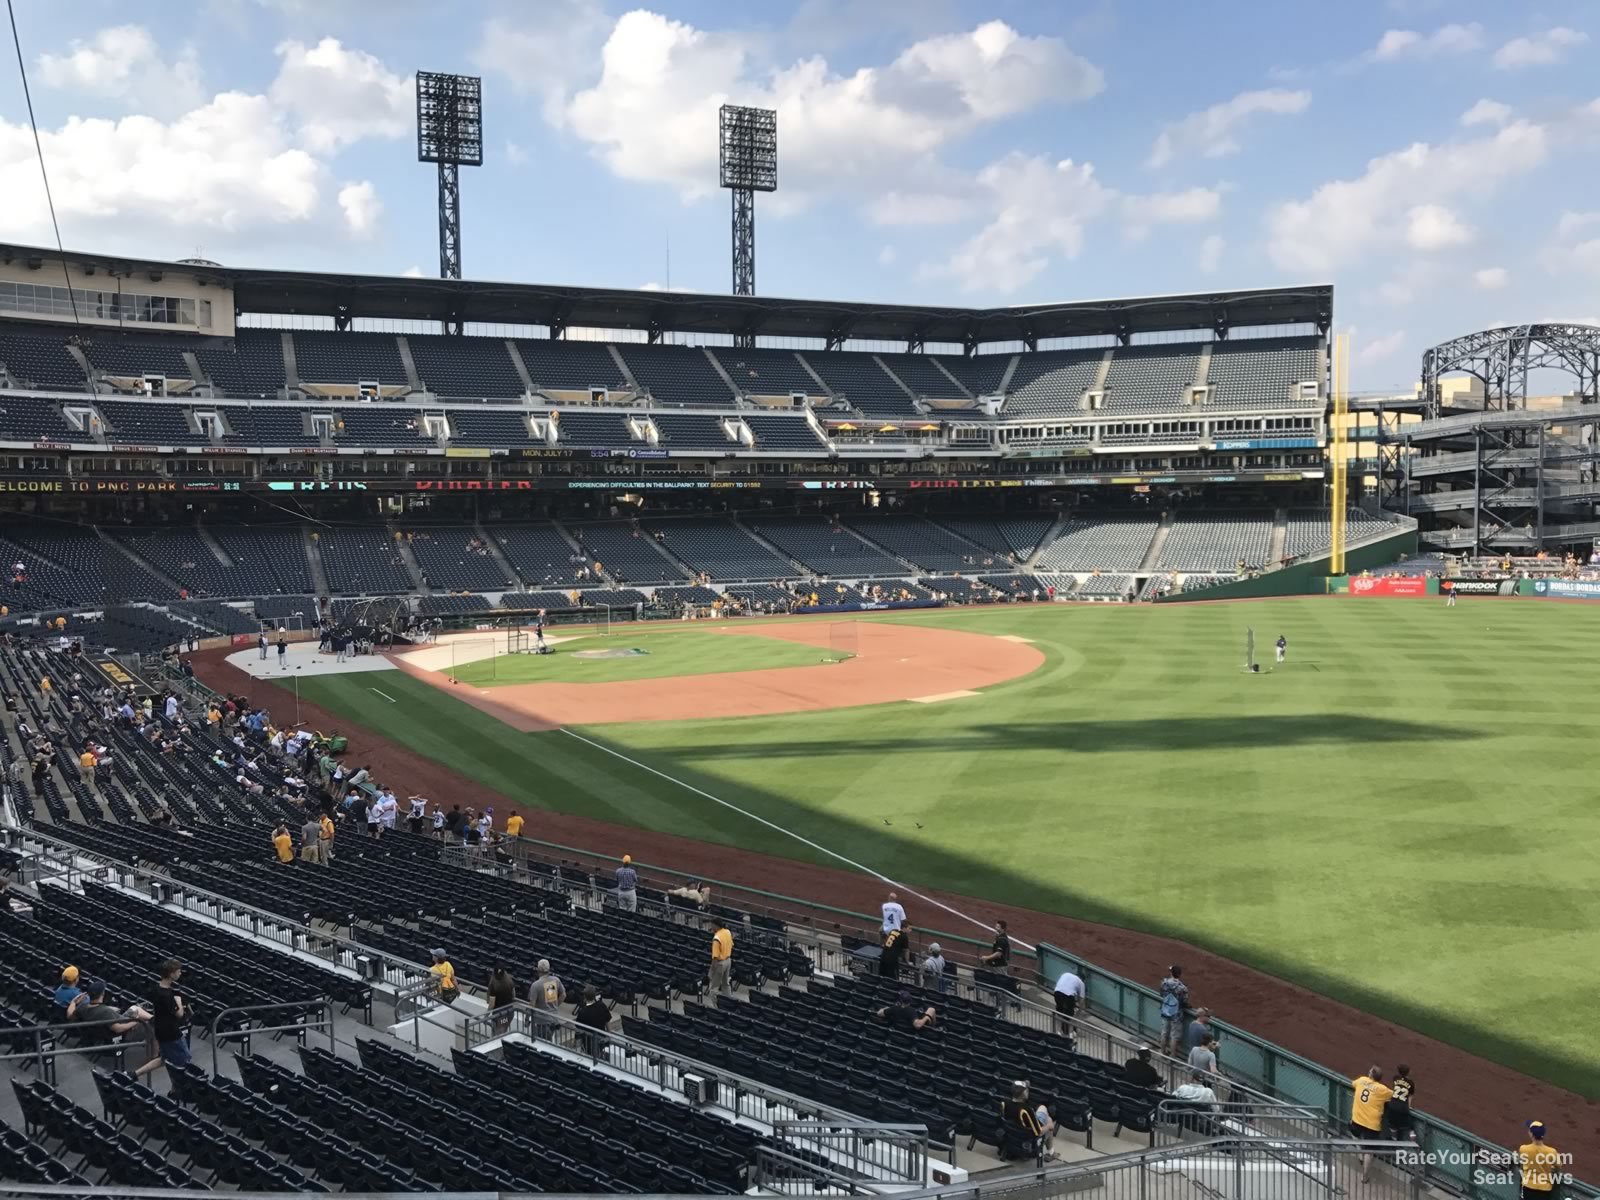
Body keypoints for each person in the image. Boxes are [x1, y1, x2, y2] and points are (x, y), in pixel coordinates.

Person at [136, 959, 189, 1078]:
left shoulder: (156, 989)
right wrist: (179, 1003)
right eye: (178, 971)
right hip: (171, 1032)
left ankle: (134, 1074)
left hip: (159, 1029)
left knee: (164, 1058)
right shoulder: (167, 995)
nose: (180, 973)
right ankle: (178, 1088)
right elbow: (179, 1014)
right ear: (171, 974)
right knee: (185, 1059)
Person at [1349, 1066, 1393, 1182]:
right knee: (1369, 1151)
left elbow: (1352, 1083)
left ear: (1370, 1075)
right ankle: (1365, 1177)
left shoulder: (1362, 1080)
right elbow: (1394, 1096)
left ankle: (1360, 1154)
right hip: (1372, 1126)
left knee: (1353, 1133)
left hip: (1357, 1121)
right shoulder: (1383, 1089)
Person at [998, 1082, 1046, 1161]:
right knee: (1046, 1114)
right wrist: (1049, 1126)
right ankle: (1051, 1152)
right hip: (1026, 1141)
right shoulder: (1025, 1110)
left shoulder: (1004, 1103)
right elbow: (1038, 1132)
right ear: (1023, 1093)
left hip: (1011, 1138)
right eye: (1026, 1090)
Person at [1518, 1121, 1562, 1200]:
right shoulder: (1552, 1152)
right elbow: (1558, 1167)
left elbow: (1521, 1163)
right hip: (1544, 1189)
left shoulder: (1523, 1149)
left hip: (1528, 1187)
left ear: (1531, 1134)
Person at [1159, 966, 1190, 1055]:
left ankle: (1162, 1052)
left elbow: (1161, 993)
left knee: (1164, 1033)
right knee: (1174, 1036)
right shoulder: (1183, 988)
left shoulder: (1164, 983)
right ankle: (1172, 1057)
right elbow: (1184, 1001)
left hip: (1165, 1010)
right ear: (1179, 974)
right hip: (1176, 1014)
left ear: (1171, 973)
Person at [573, 985, 611, 1055]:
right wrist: (609, 1036)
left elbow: (579, 1030)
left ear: (584, 997)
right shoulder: (602, 1005)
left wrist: (577, 1049)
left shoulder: (583, 1012)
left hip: (588, 1042)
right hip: (601, 1039)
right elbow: (607, 1021)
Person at [1385, 1064, 1416, 1142]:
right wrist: (1408, 1106)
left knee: (1392, 1126)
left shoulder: (1395, 1078)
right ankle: (1413, 1144)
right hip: (1403, 1108)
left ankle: (1394, 1140)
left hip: (1392, 1105)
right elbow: (1410, 1096)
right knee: (1411, 1128)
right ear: (1408, 1072)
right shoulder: (1411, 1083)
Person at [487, 964, 516, 1035]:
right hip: (509, 1012)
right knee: (503, 1032)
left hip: (499, 1014)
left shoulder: (494, 985)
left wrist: (486, 1016)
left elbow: (491, 1004)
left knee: (497, 1035)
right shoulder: (510, 982)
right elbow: (514, 995)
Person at [708, 920, 734, 995]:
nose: (711, 927)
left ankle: (716, 1006)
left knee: (714, 988)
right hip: (728, 961)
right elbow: (731, 945)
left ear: (716, 926)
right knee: (726, 984)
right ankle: (728, 1002)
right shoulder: (727, 932)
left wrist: (711, 971)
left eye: (712, 925)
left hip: (720, 964)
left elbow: (715, 958)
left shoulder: (716, 938)